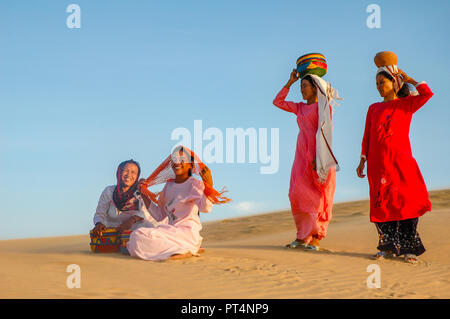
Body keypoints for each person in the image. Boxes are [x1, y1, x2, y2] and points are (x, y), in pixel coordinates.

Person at [356, 65, 433, 264]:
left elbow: (427, 94)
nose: (379, 86)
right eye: (377, 84)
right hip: (377, 164)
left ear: (394, 83)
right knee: (382, 204)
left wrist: (410, 79)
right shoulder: (373, 108)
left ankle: (410, 248)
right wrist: (362, 160)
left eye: (383, 82)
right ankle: (387, 246)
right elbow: (367, 136)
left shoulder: (406, 104)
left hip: (401, 162)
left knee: (406, 202)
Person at [273, 67, 341, 251]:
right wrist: (290, 82)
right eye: (301, 86)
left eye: (305, 86)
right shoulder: (300, 107)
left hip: (319, 157)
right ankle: (302, 236)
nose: (302, 90)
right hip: (301, 157)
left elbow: (326, 132)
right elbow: (277, 102)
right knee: (297, 194)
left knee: (318, 198)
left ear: (315, 87)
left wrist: (319, 157)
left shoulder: (324, 108)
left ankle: (316, 237)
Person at [127, 146, 230, 261]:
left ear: (190, 164)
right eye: (174, 159)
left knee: (138, 237)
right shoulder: (168, 186)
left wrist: (208, 184)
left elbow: (206, 209)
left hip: (187, 233)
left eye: (182, 160)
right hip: (170, 231)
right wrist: (143, 195)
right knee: (135, 237)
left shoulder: (194, 184)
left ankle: (185, 248)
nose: (177, 163)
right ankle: (181, 248)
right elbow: (159, 215)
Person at [91, 159, 155, 237]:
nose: (128, 175)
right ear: (119, 173)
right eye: (125, 171)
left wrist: (131, 220)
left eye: (133, 172)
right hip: (114, 230)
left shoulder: (140, 191)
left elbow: (145, 212)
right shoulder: (109, 191)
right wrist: (99, 224)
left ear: (137, 176)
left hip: (137, 230)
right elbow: (100, 213)